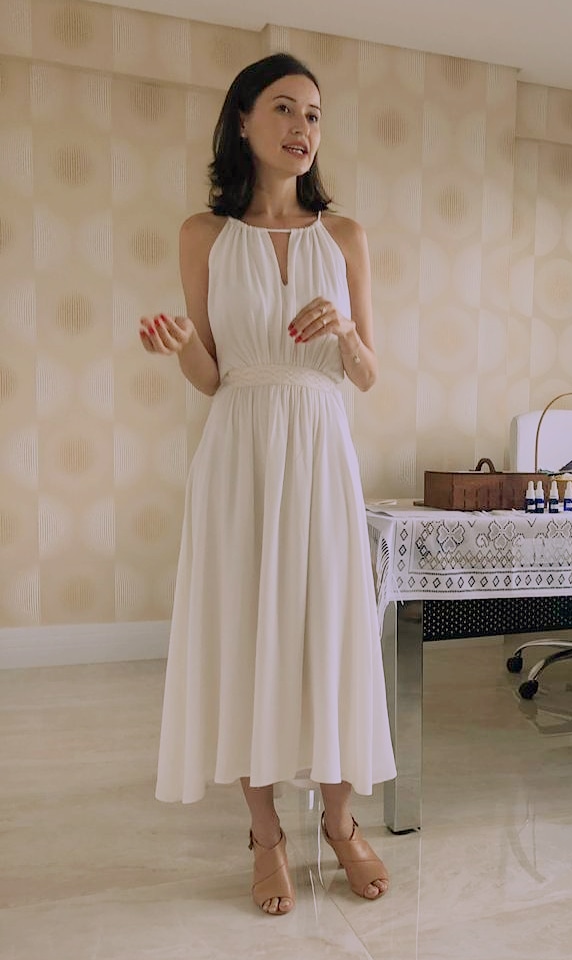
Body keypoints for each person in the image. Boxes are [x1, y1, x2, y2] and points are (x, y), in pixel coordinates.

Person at [139, 52, 397, 916]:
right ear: (243, 120)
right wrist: (183, 346)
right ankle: (265, 835)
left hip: (321, 447)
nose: (302, 127)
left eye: (314, 115)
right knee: (246, 629)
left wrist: (345, 333)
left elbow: (367, 374)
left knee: (329, 627)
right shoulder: (202, 236)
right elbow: (213, 376)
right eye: (284, 108)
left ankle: (341, 822)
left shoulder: (346, 237)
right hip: (239, 450)